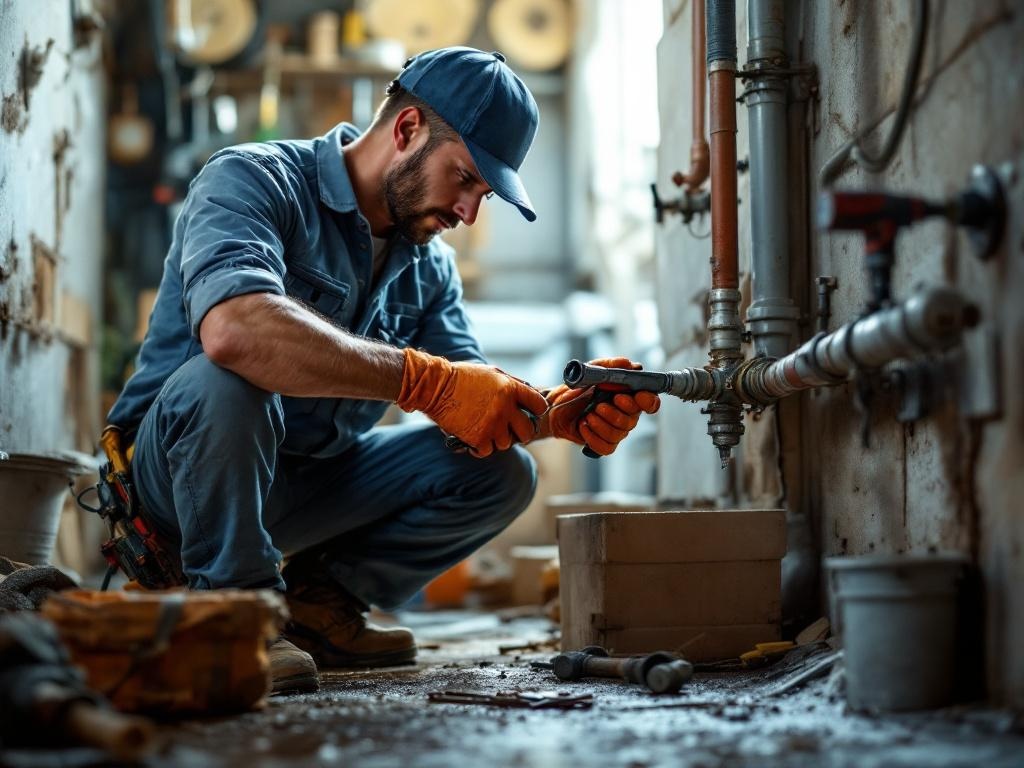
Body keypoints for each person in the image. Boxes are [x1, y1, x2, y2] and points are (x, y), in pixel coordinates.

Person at [105, 47, 660, 694]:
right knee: (228, 377)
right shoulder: (252, 181)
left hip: (305, 482)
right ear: (407, 130)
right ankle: (236, 612)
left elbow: (466, 401)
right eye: (466, 179)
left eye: (483, 195)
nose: (469, 213)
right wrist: (425, 381)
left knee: (502, 471)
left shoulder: (429, 267)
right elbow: (235, 331)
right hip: (177, 485)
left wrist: (550, 413)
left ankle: (317, 611)